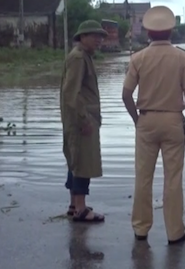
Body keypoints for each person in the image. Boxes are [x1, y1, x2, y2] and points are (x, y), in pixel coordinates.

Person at [122, 5, 185, 245]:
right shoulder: (182, 57)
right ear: (171, 31)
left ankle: (141, 228)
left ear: (147, 32)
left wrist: (138, 120)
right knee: (173, 178)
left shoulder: (138, 58)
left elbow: (126, 95)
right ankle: (174, 232)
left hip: (146, 120)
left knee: (143, 177)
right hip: (173, 121)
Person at [61, 19, 108, 223]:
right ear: (83, 37)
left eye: (100, 36)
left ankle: (74, 205)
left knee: (76, 160)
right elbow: (71, 92)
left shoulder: (83, 56)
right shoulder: (79, 58)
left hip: (81, 118)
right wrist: (84, 119)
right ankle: (80, 209)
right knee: (82, 162)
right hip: (82, 120)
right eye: (95, 36)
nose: (99, 40)